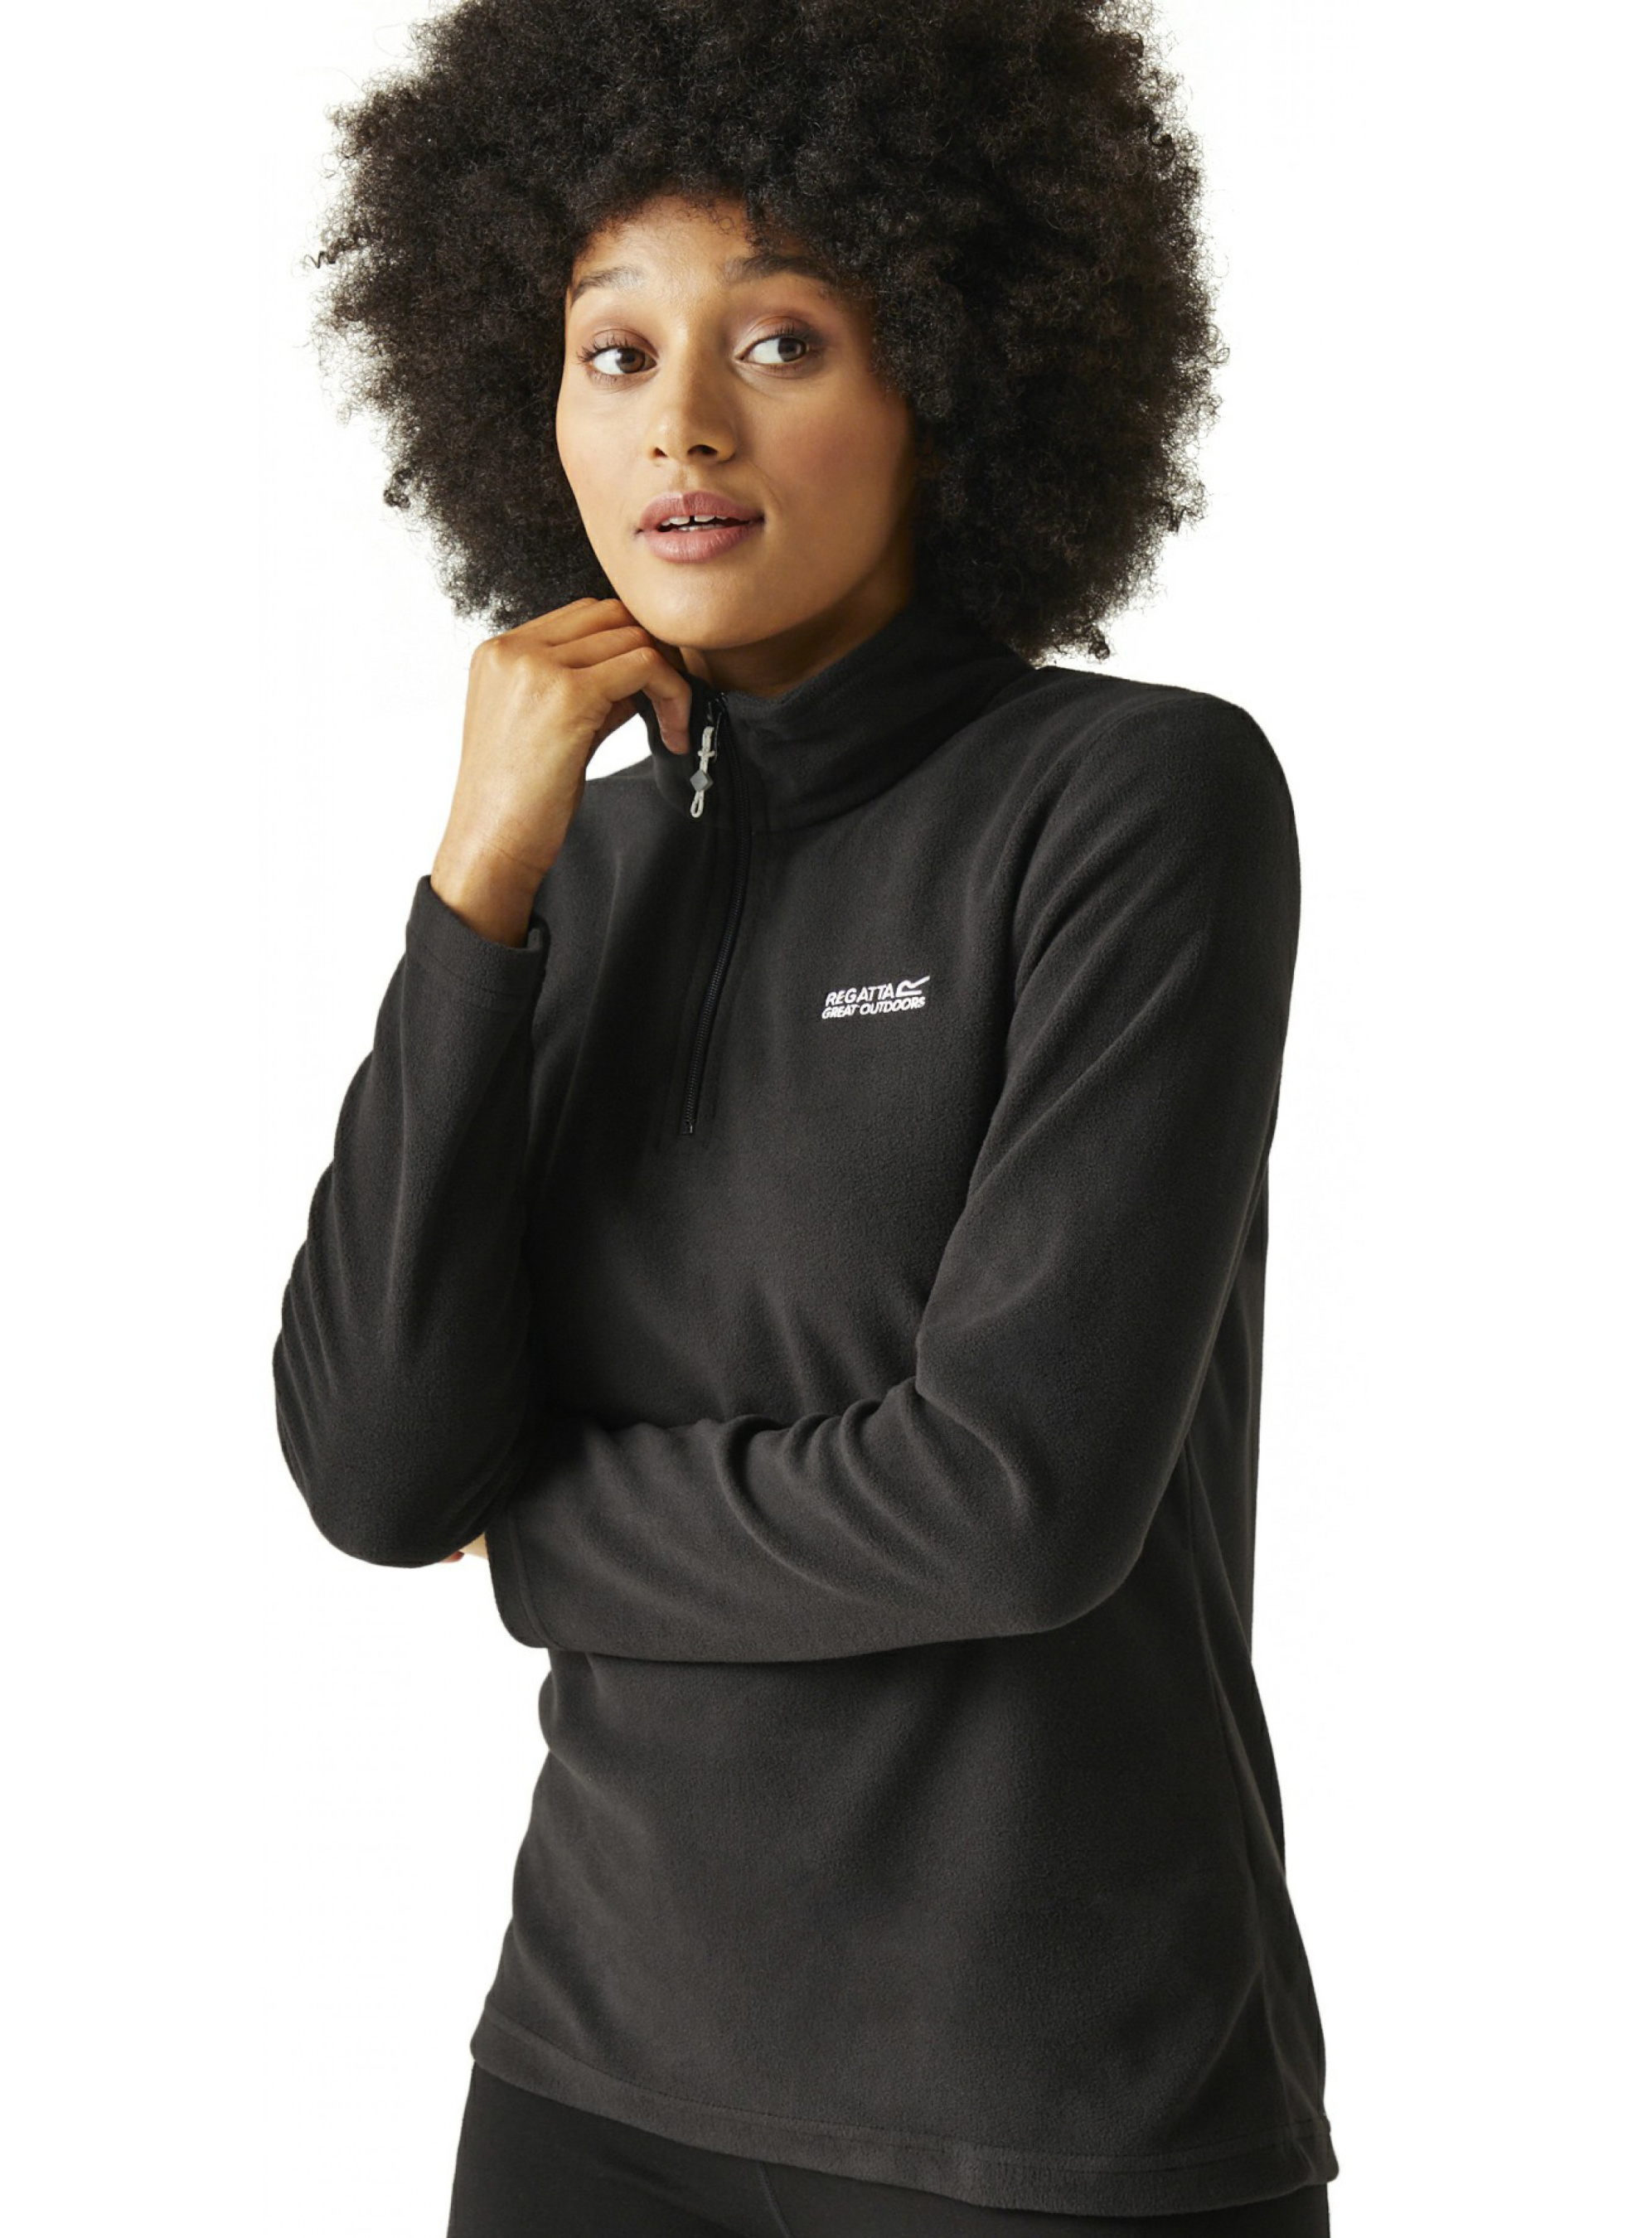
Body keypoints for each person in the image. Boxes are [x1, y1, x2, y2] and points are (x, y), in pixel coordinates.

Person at [274, 2, 1340, 2231]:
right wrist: (477, 885)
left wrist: (537, 1532)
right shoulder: (569, 868)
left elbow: (1009, 1499)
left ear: (945, 375)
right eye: (613, 349)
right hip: (587, 2078)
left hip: (1046, 2114)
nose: (682, 421)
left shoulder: (1131, 802)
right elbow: (377, 1472)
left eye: (779, 341)